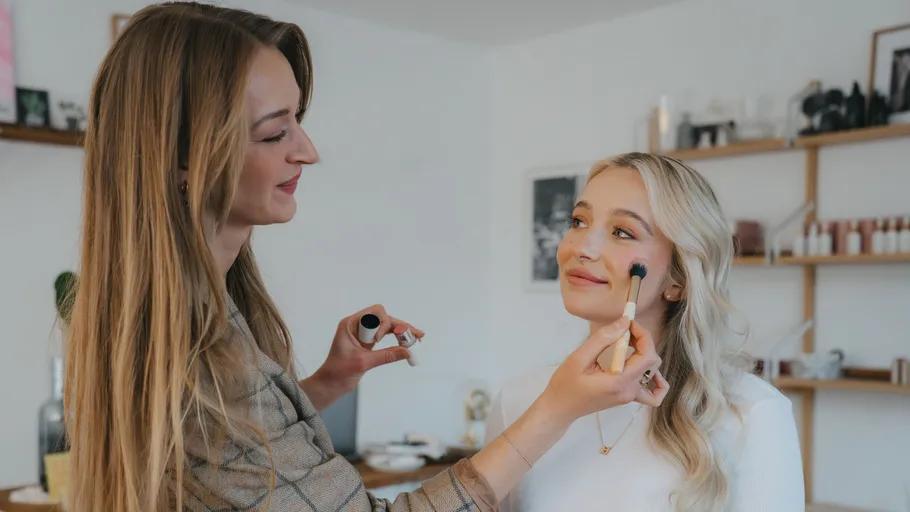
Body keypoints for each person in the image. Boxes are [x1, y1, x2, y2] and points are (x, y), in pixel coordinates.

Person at [63, 3, 669, 511]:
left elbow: (233, 455)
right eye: (274, 132)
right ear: (181, 158)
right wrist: (557, 408)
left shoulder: (170, 321)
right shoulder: (201, 353)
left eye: (298, 120)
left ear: (680, 277)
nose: (308, 151)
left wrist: (325, 384)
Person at [484, 153, 805, 512]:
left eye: (622, 232)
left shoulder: (753, 414)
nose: (582, 248)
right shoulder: (518, 401)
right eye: (578, 221)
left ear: (678, 280)